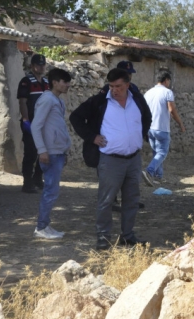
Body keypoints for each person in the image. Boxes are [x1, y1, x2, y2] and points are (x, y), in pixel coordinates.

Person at [70, 68, 152, 250]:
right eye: (111, 86)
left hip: (133, 159)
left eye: (119, 86)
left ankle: (127, 236)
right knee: (106, 200)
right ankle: (103, 237)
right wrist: (92, 137)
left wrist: (139, 135)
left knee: (131, 199)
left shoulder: (137, 100)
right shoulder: (100, 101)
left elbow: (147, 117)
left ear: (128, 85)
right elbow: (75, 117)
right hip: (110, 160)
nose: (115, 90)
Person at [31, 68, 72, 239]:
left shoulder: (57, 101)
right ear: (55, 82)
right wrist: (42, 151)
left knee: (52, 190)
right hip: (50, 153)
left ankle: (45, 225)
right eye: (64, 81)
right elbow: (35, 126)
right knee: (50, 191)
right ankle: (41, 227)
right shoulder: (47, 99)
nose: (67, 85)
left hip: (57, 152)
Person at [144, 69, 185, 184]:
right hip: (161, 128)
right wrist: (180, 123)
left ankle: (159, 176)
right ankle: (149, 171)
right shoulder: (167, 92)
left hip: (150, 128)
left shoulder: (148, 93)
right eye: (169, 81)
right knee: (162, 152)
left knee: (156, 152)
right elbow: (172, 110)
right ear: (166, 80)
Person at [17, 53, 49, 193]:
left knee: (44, 152)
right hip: (31, 122)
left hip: (46, 124)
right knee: (30, 152)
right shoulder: (26, 81)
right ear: (32, 66)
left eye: (43, 65)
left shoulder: (47, 82)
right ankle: (27, 182)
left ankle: (38, 177)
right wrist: (25, 120)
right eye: (38, 65)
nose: (41, 67)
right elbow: (23, 102)